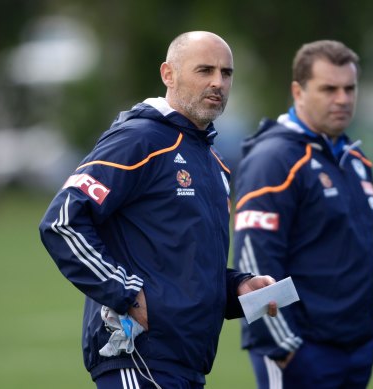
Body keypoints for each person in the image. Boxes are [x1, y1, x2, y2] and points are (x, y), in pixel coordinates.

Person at [39, 31, 277, 389]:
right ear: (169, 74)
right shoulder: (140, 140)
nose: (218, 82)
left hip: (186, 361)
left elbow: (181, 264)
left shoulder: (214, 163)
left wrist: (238, 288)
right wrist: (125, 292)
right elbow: (62, 223)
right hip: (138, 355)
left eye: (226, 73)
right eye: (204, 70)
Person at [233, 40, 373, 388]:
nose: (343, 99)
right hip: (302, 354)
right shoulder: (274, 159)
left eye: (349, 88)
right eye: (329, 88)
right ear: (298, 91)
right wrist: (283, 348)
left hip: (356, 350)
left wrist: (368, 333)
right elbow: (254, 259)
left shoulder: (354, 160)